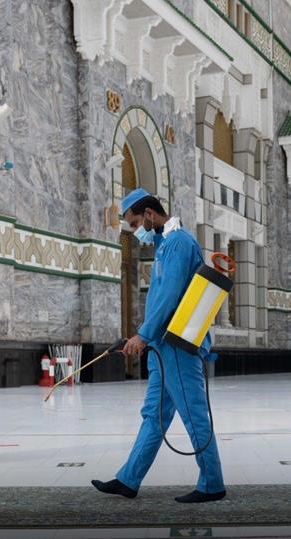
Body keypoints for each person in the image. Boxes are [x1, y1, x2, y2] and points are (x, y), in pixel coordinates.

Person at [92, 189, 226, 503]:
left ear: (150, 214)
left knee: (194, 416)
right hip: (162, 348)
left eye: (136, 222)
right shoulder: (166, 245)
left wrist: (142, 335)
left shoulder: (179, 243)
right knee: (154, 415)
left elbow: (168, 299)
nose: (136, 229)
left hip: (177, 347)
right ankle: (129, 479)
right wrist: (146, 338)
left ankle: (212, 483)